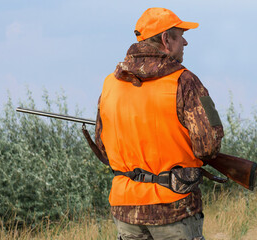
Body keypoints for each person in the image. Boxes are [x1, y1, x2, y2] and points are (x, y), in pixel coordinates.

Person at [94, 8, 224, 240]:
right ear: (165, 39)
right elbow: (208, 146)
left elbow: (102, 147)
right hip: (173, 206)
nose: (185, 41)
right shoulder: (185, 81)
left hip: (126, 209)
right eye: (179, 35)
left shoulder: (109, 85)